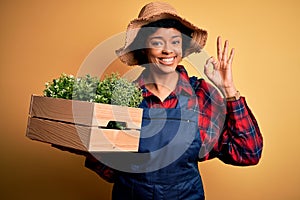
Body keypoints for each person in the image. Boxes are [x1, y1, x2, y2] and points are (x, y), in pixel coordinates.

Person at [84, 2, 263, 200]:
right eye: (158, 42)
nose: (168, 50)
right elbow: (103, 163)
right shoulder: (123, 98)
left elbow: (248, 152)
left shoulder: (201, 95)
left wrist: (228, 88)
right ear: (144, 48)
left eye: (175, 42)